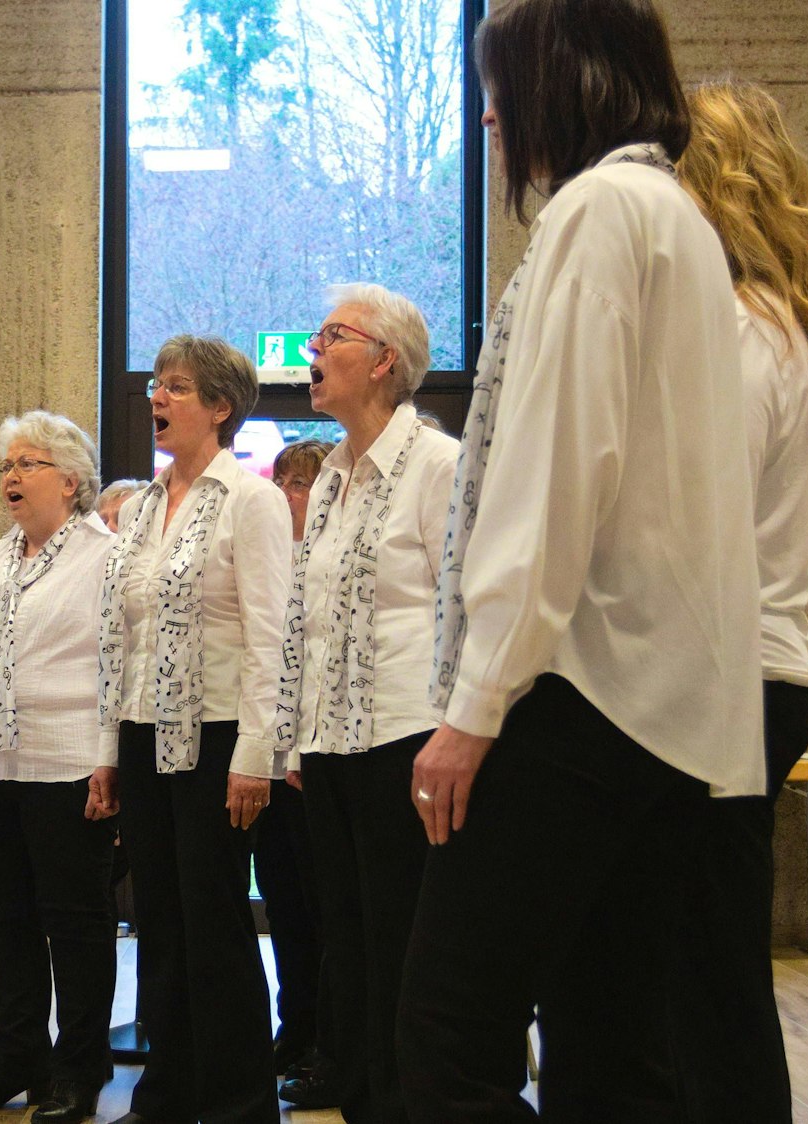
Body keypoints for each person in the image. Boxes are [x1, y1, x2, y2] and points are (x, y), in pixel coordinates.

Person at [403, 2, 763, 1120]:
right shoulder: (681, 219)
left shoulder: (599, 210)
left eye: (504, 81)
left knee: (443, 1041)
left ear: (568, 75)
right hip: (664, 706)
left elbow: (553, 471)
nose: (494, 115)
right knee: (611, 1048)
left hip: (574, 690)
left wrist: (476, 699)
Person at [674, 78, 808, 1119]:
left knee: (711, 977)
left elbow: (703, 527)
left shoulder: (739, 327)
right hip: (743, 672)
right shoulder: (770, 320)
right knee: (704, 968)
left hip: (731, 676)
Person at [275, 287, 458, 1122]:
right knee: (343, 945)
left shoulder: (440, 465)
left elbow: (468, 610)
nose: (312, 350)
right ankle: (360, 1102)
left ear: (385, 359)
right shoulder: (333, 479)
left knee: (403, 949)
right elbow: (308, 621)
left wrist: (459, 734)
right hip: (332, 750)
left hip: (409, 743)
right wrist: (297, 740)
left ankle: (407, 1103)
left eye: (332, 337)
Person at [99, 334, 291, 1123]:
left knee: (212, 918)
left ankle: (243, 1099)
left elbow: (270, 635)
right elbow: (124, 638)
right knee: (162, 921)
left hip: (217, 740)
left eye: (176, 387)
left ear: (220, 405)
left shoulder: (253, 499)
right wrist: (108, 751)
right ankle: (170, 1088)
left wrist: (256, 757)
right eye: (154, 385)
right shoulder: (144, 505)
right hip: (146, 734)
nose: (157, 399)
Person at [0, 410, 119, 1123]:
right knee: (3, 917)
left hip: (68, 761)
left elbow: (116, 664)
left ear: (71, 480)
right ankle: (16, 1055)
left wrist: (110, 759)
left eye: (29, 463)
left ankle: (79, 1068)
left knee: (75, 924)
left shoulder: (105, 554)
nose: (11, 476)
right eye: (6, 465)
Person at [259, 436, 334, 1093]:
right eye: (281, 482)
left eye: (301, 484)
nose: (287, 496)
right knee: (283, 909)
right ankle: (296, 1023)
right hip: (271, 763)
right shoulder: (271, 562)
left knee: (324, 910)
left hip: (317, 763)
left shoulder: (330, 565)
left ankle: (329, 1044)